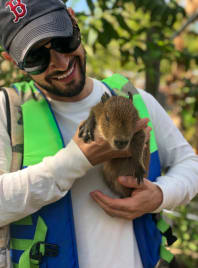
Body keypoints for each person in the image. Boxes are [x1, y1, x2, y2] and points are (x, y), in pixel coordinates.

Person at [0, 0, 198, 267]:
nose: (60, 62)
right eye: (36, 56)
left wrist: (160, 195)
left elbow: (190, 164)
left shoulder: (135, 99)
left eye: (63, 41)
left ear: (73, 21)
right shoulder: (7, 114)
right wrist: (74, 161)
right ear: (13, 60)